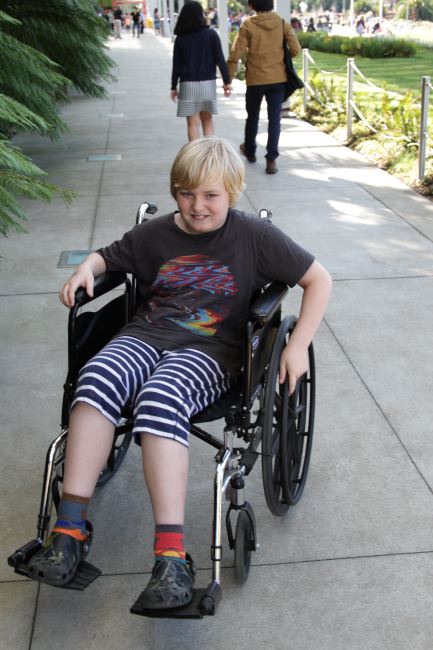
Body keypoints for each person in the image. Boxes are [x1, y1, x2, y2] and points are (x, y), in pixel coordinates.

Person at [25, 137, 332, 609]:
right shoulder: (155, 235)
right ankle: (68, 530)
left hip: (211, 351)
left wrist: (297, 345)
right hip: (145, 335)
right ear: (174, 191)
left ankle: (171, 556)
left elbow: (318, 279)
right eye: (187, 194)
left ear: (232, 192)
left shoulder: (254, 237)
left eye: (211, 195)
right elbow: (108, 256)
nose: (197, 206)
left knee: (160, 399)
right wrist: (86, 268)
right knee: (96, 376)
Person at [227, 0, 301, 174]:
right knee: (274, 119)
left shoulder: (248, 25)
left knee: (252, 116)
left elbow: (235, 53)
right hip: (278, 79)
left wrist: (228, 78)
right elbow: (296, 49)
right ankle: (271, 159)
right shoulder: (282, 24)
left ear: (252, 5)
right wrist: (279, 58)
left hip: (255, 79)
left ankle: (250, 151)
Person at [171, 1, 232, 141]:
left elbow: (176, 65)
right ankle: (210, 153)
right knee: (207, 120)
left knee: (192, 124)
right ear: (201, 15)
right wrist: (227, 82)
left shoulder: (180, 39)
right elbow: (220, 60)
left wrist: (173, 86)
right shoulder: (211, 35)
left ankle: (195, 154)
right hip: (207, 84)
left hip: (187, 85)